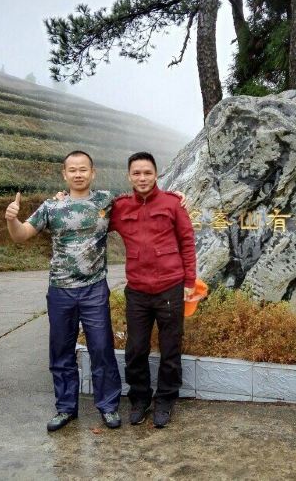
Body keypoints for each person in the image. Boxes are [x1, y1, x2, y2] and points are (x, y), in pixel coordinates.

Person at [5, 150, 122, 432]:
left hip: (94, 288)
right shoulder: (50, 207)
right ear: (64, 174)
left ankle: (108, 406)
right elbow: (22, 234)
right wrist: (11, 219)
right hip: (60, 290)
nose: (78, 174)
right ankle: (65, 408)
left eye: (84, 169)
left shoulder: (106, 201)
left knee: (102, 348)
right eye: (73, 169)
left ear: (93, 173)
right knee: (61, 351)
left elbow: (141, 210)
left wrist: (179, 199)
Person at [110, 151, 196, 428]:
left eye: (147, 173)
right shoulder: (120, 207)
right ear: (129, 176)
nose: (142, 178)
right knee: (136, 349)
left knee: (170, 348)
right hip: (137, 290)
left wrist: (189, 283)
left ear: (156, 174)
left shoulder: (172, 203)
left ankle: (166, 400)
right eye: (136, 173)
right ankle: (139, 399)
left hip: (170, 287)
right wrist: (64, 200)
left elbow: (187, 242)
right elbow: (93, 218)